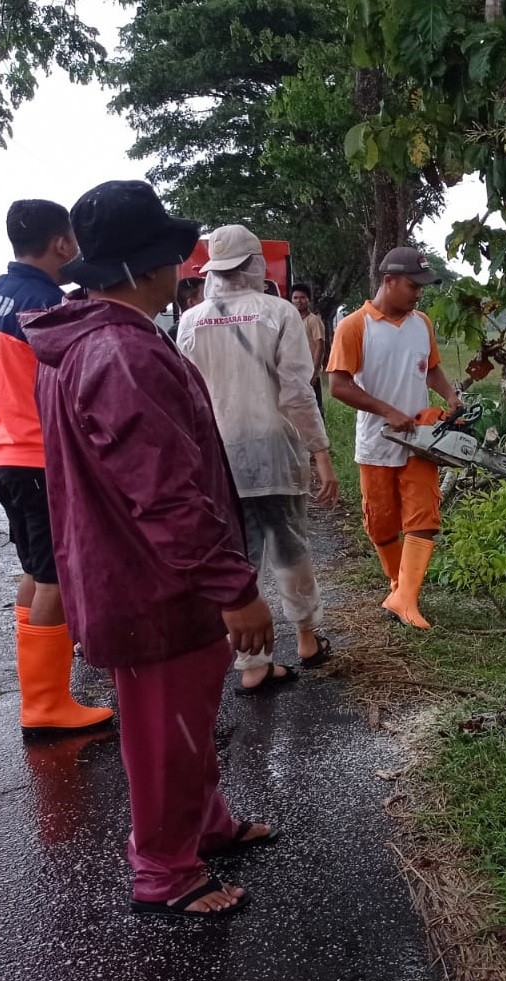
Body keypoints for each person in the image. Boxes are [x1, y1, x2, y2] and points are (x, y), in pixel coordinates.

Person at [27, 180, 275, 918]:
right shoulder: (118, 352)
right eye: (173, 255)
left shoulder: (100, 339)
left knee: (187, 716)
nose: (183, 268)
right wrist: (233, 586)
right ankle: (163, 869)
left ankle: (204, 823)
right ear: (143, 268)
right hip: (153, 583)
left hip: (143, 573)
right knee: (163, 726)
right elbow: (163, 493)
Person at [0, 199, 114, 737]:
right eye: (72, 238)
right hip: (41, 458)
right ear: (62, 244)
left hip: (2, 453)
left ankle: (40, 689)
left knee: (33, 570)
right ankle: (46, 704)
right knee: (53, 576)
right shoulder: (46, 304)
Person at [176, 224, 339, 690]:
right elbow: (296, 394)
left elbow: (186, 399)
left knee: (239, 559)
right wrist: (321, 453)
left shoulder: (189, 322)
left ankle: (253, 664)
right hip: (275, 451)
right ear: (255, 266)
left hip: (219, 461)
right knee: (291, 548)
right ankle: (307, 638)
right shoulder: (279, 313)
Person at [328, 245, 460, 630]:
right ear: (388, 281)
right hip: (377, 440)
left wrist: (450, 395)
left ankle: (407, 598)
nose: (418, 293)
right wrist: (386, 411)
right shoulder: (355, 326)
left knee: (425, 515)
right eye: (412, 285)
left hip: (421, 438)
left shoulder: (422, 323)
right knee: (381, 522)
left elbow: (431, 368)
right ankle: (397, 584)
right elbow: (338, 385)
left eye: (421, 286)